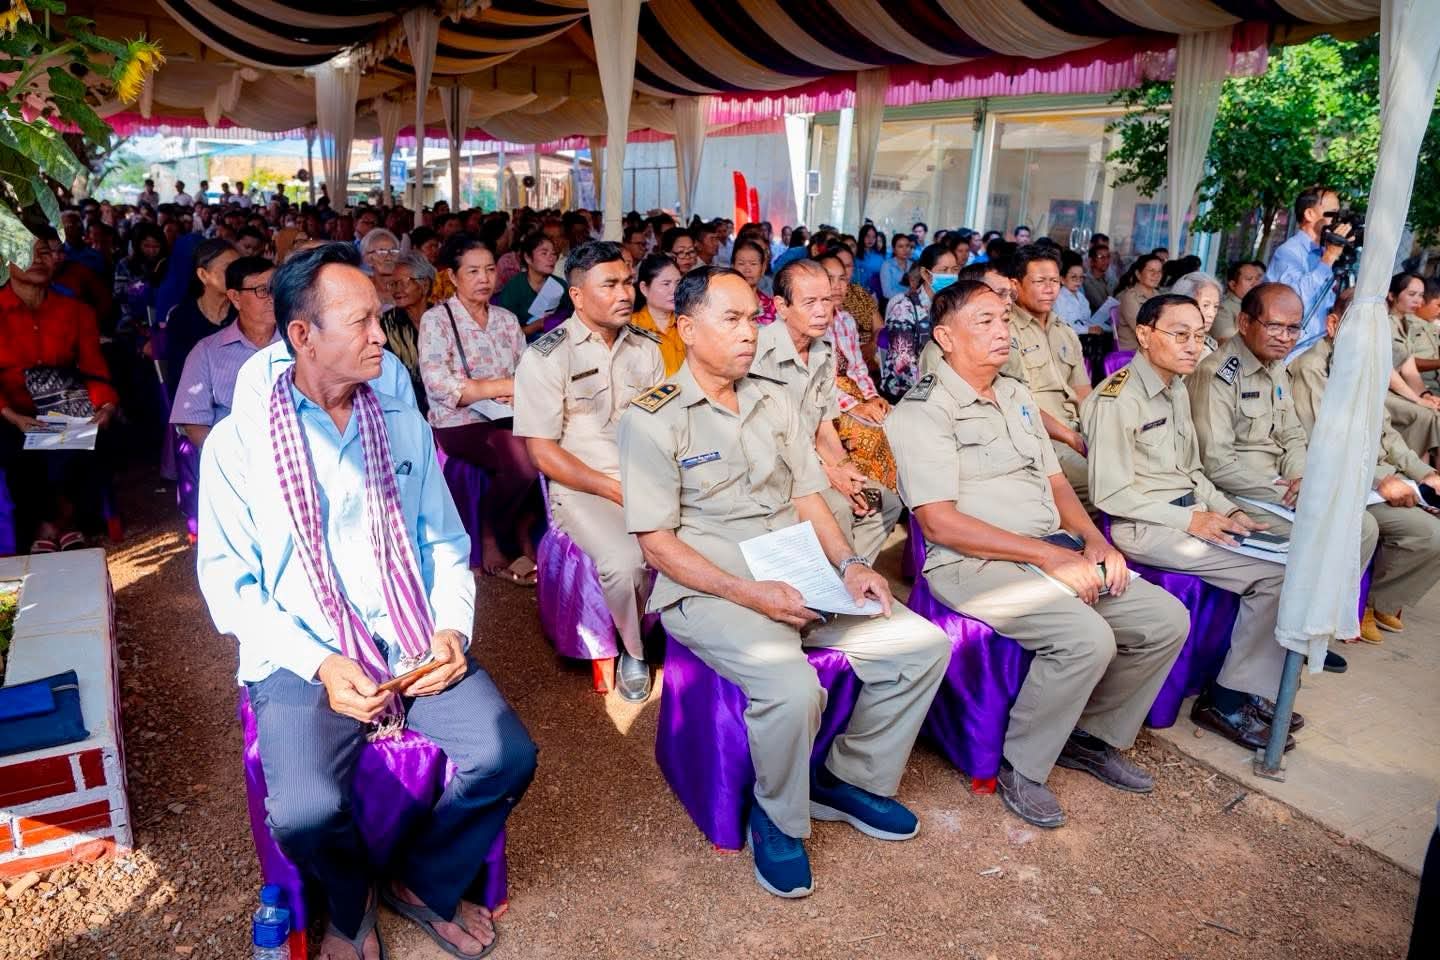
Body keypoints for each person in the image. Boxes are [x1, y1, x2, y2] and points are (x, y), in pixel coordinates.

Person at [196, 242, 535, 960]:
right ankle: (352, 909)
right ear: (302, 335)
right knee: (305, 812)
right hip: (305, 646)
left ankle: (423, 882)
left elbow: (445, 540)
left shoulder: (400, 420)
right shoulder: (239, 444)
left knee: (506, 756)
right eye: (361, 322)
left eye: (379, 318)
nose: (382, 335)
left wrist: (451, 629)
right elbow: (229, 584)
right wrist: (319, 663)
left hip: (408, 635)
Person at [619, 265, 950, 898]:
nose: (749, 333)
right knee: (793, 688)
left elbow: (806, 495)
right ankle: (778, 817)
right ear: (686, 329)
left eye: (753, 319)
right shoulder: (654, 417)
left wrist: (849, 564)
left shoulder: (774, 398)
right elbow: (656, 543)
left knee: (922, 647)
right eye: (731, 319)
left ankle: (846, 779)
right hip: (711, 585)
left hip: (796, 570)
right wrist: (749, 593)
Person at [885, 280, 1188, 829]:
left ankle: (1088, 735)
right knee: (1087, 638)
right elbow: (938, 522)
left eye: (1004, 319)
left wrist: (1095, 540)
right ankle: (1022, 766)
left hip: (1052, 547)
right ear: (945, 338)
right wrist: (1049, 558)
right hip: (973, 563)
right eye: (984, 322)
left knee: (1166, 619)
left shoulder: (1017, 395)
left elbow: (1056, 482)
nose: (1002, 331)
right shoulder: (922, 412)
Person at [1081, 294, 1296, 751]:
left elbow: (1193, 471)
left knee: (1287, 555)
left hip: (1189, 513)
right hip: (1145, 526)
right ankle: (1226, 699)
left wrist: (1227, 509)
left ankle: (1247, 688)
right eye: (1180, 335)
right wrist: (1191, 520)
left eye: (1199, 336)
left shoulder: (1176, 386)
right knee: (1276, 576)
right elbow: (1110, 495)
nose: (1193, 346)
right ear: (1144, 335)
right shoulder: (1117, 400)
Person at [1189, 282, 1374, 669]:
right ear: (1244, 322)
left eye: (1293, 328)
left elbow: (1292, 436)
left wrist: (1301, 478)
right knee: (1320, 533)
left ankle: (1310, 628)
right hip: (1236, 490)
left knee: (1364, 526)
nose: (1285, 337)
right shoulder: (1217, 374)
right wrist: (1286, 491)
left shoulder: (1276, 368)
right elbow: (1216, 464)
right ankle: (1283, 641)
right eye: (1274, 326)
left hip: (1281, 485)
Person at [513, 241, 665, 701]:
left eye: (627, 282)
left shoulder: (647, 348)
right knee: (625, 562)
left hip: (647, 479)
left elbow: (664, 425)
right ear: (577, 296)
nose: (625, 294)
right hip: (583, 487)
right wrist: (612, 488)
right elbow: (542, 453)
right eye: (610, 285)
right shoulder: (546, 356)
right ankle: (634, 649)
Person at [1291, 286, 1440, 644]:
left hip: (1366, 479)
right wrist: (1380, 479)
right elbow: (1324, 444)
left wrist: (1425, 473)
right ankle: (1334, 618)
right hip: (1331, 479)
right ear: (1332, 325)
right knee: (1371, 527)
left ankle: (1373, 603)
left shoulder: (1365, 367)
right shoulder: (1313, 368)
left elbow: (1386, 434)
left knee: (1431, 534)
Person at [754, 260, 899, 563]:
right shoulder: (758, 355)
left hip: (813, 462)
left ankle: (849, 574)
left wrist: (845, 468)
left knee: (885, 501)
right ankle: (841, 576)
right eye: (809, 303)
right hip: (776, 470)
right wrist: (828, 473)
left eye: (827, 300)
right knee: (840, 508)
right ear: (781, 306)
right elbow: (771, 443)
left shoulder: (823, 350)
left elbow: (824, 426)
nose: (822, 311)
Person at [420, 235, 539, 584]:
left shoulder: (506, 320)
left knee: (544, 446)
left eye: (489, 270)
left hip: (508, 415)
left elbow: (528, 373)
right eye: (472, 271)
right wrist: (500, 387)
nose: (484, 278)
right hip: (458, 421)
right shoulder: (437, 320)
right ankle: (491, 534)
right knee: (522, 460)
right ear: (453, 277)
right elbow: (438, 383)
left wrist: (514, 393)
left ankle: (524, 526)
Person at [0, 228, 120, 551]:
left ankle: (57, 523)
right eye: (26, 252)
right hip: (10, 412)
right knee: (16, 447)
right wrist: (13, 416)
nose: (38, 260)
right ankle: (52, 524)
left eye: (44, 252)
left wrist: (105, 407)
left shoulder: (77, 311)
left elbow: (94, 369)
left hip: (64, 407)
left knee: (96, 438)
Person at [998, 244, 1093, 506]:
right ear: (1015, 285)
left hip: (1077, 430)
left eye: (1055, 281)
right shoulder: (1005, 332)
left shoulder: (1065, 331)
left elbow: (1083, 391)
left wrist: (1098, 431)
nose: (1050, 289)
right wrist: (1071, 438)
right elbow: (1018, 404)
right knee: (1096, 481)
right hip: (1039, 435)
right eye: (1040, 281)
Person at [170, 254, 278, 450]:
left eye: (276, 288)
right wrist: (228, 458)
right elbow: (194, 424)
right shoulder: (206, 352)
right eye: (262, 291)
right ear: (235, 298)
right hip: (235, 453)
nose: (272, 298)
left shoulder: (299, 342)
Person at [1265, 186, 1354, 353]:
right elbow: (1295, 300)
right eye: (1333, 213)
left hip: (1320, 346)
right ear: (1310, 214)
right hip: (1293, 351)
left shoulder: (1324, 251)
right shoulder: (1289, 252)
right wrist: (1329, 258)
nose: (1338, 220)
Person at [880, 244, 958, 399]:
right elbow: (902, 366)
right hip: (907, 393)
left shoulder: (955, 307)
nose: (950, 276)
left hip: (945, 389)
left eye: (954, 270)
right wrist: (941, 388)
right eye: (944, 270)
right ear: (925, 274)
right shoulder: (904, 310)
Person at [162, 238, 238, 392]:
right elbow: (179, 377)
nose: (237, 275)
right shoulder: (182, 318)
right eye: (228, 269)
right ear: (203, 275)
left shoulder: (243, 312)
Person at [1385, 272, 1440, 458]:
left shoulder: (1404, 323)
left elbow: (1409, 370)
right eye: (1411, 294)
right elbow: (1388, 373)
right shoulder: (1384, 323)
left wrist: (1425, 395)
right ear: (1392, 295)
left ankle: (1426, 474)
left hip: (1398, 390)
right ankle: (1413, 470)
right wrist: (1418, 400)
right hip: (1382, 391)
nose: (1418, 300)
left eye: (1421, 295)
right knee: (1426, 416)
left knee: (1435, 413)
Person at [380, 252, 434, 415]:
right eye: (393, 284)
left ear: (424, 284)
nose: (397, 290)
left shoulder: (443, 318)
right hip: (406, 405)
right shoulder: (385, 325)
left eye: (403, 283)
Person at [493, 232, 558, 339]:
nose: (551, 258)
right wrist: (536, 326)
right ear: (528, 258)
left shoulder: (559, 285)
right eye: (544, 253)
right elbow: (504, 335)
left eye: (554, 253)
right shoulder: (514, 287)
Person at [630, 252, 686, 376]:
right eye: (666, 284)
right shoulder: (631, 327)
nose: (674, 290)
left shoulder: (687, 324)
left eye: (678, 283)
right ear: (644, 288)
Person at [1113, 254, 1163, 352]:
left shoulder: (1158, 295)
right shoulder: (1129, 297)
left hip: (1152, 349)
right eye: (1151, 271)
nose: (1156, 275)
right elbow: (1143, 330)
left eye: (1159, 271)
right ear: (1138, 274)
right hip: (1133, 352)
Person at [1168, 272, 1223, 358]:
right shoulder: (1170, 341)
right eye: (1205, 305)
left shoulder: (1208, 342)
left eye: (1215, 306)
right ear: (1183, 304)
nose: (1212, 314)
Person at [1213, 261, 1264, 344]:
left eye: (1257, 279)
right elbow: (1226, 342)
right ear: (1233, 285)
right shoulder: (1224, 308)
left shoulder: (1257, 306)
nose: (1256, 284)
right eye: (1249, 279)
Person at [360, 228, 402, 309]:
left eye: (393, 251)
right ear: (368, 259)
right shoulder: (363, 290)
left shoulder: (406, 287)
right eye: (382, 252)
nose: (389, 257)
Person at [1054, 251, 1093, 334]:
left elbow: (1086, 320)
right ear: (1062, 279)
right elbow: (1062, 326)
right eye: (1074, 277)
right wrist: (1087, 330)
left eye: (1081, 277)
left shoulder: (1081, 297)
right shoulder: (1059, 299)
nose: (1078, 281)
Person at [879, 233, 914, 300]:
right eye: (900, 246)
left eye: (907, 246)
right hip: (894, 302)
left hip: (911, 301)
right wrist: (906, 294)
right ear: (894, 249)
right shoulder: (887, 265)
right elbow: (887, 293)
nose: (905, 249)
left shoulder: (912, 265)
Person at [1082, 245, 1114, 313]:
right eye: (1101, 257)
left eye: (1108, 257)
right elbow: (1101, 305)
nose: (1106, 261)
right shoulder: (1087, 281)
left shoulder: (1107, 278)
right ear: (1091, 260)